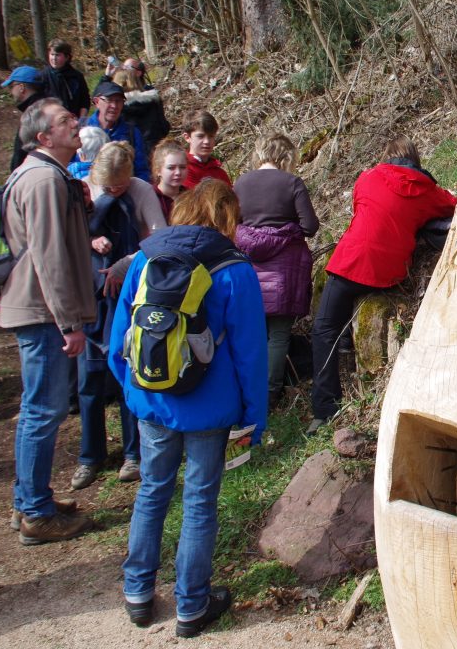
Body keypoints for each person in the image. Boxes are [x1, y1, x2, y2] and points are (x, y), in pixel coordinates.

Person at [108, 179, 266, 637]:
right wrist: (252, 418)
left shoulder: (145, 257)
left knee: (152, 491)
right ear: (226, 216)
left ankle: (138, 593)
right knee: (199, 502)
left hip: (152, 402)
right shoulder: (235, 270)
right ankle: (191, 605)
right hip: (209, 409)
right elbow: (250, 354)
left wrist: (136, 393)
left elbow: (119, 340)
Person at [309, 136, 456, 434]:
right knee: (346, 309)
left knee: (323, 329)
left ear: (386, 156)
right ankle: (349, 344)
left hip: (351, 263)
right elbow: (453, 205)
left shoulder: (368, 177)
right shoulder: (426, 191)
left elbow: (359, 206)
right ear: (416, 160)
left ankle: (325, 410)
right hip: (391, 273)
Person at [1, 99, 97, 545]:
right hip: (43, 313)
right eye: (64, 122)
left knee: (41, 409)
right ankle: (36, 512)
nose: (75, 124)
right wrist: (68, 322)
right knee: (42, 410)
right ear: (43, 138)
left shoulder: (49, 176)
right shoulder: (41, 180)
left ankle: (30, 500)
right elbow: (49, 256)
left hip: (44, 312)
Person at [73, 142, 166, 490]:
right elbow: (69, 235)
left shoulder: (142, 191)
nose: (113, 191)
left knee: (127, 371)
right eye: (108, 186)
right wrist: (91, 238)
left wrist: (124, 264)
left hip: (127, 294)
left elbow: (158, 240)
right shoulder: (84, 188)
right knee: (90, 381)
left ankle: (132, 453)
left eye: (119, 185)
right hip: (91, 296)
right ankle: (89, 456)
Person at [233, 133, 318, 406]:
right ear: (286, 156)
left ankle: (248, 389)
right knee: (278, 335)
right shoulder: (292, 183)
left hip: (250, 270)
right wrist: (288, 228)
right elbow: (310, 226)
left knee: (254, 333)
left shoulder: (240, 183)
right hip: (283, 271)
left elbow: (233, 223)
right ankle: (271, 392)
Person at [84, 81, 150, 182]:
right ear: (96, 102)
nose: (114, 106)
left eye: (119, 101)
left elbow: (142, 170)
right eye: (109, 100)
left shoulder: (132, 132)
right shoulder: (83, 130)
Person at [2, 65, 47, 173]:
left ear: (21, 87)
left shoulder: (33, 114)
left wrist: (16, 173)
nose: (10, 91)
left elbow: (22, 150)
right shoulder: (49, 105)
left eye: (11, 86)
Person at [115, 68, 170, 151]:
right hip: (156, 146)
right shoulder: (153, 99)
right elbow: (164, 125)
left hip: (131, 150)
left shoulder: (119, 106)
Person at [40, 39, 90, 119]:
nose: (54, 58)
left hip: (74, 120)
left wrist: (82, 118)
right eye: (52, 54)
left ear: (67, 57)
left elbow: (85, 100)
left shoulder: (76, 76)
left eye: (57, 55)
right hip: (52, 122)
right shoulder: (43, 76)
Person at [181, 111, 230, 189]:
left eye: (211, 136)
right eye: (200, 136)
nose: (207, 141)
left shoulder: (220, 173)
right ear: (187, 137)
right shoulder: (183, 169)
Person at [150, 140, 188, 222]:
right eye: (171, 168)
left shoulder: (190, 197)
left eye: (182, 167)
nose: (178, 173)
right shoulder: (150, 197)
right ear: (158, 170)